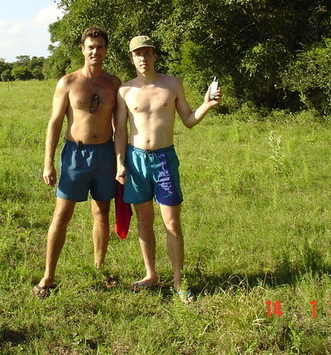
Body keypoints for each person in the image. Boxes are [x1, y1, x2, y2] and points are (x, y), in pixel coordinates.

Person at [114, 35, 221, 302]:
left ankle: (178, 281)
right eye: (138, 54)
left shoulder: (171, 84)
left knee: (172, 222)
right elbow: (120, 132)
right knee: (144, 221)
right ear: (131, 58)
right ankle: (150, 275)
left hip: (163, 159)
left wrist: (206, 104)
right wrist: (119, 163)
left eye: (147, 53)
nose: (143, 58)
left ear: (155, 55)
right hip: (136, 160)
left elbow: (188, 119)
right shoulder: (125, 91)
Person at [34, 26, 122, 298]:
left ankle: (99, 267)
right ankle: (48, 276)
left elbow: (120, 125)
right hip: (75, 154)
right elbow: (55, 121)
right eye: (90, 46)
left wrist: (121, 160)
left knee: (101, 213)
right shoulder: (68, 82)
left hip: (105, 154)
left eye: (100, 46)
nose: (95, 51)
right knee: (62, 214)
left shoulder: (114, 83)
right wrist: (48, 162)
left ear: (106, 50)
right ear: (83, 49)